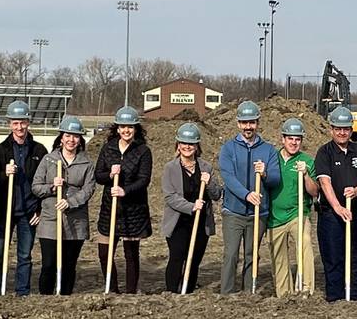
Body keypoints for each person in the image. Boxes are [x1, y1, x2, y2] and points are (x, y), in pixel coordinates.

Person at [217, 101, 282, 293]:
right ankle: (226, 292)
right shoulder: (228, 149)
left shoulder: (268, 150)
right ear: (238, 123)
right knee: (230, 254)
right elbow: (228, 177)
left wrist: (265, 174)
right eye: (244, 123)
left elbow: (276, 180)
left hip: (258, 214)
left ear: (257, 123)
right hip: (233, 212)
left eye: (252, 122)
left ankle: (248, 292)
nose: (248, 127)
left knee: (251, 254)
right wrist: (247, 195)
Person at [314, 106, 357, 301]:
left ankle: (356, 297)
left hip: (355, 213)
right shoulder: (325, 152)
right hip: (332, 215)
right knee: (333, 258)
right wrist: (338, 208)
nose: (342, 132)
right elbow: (325, 183)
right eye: (338, 128)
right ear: (331, 129)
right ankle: (335, 297)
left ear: (351, 129)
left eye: (346, 129)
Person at [0, 100, 47, 296]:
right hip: (5, 211)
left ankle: (22, 292)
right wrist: (4, 173)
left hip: (28, 211)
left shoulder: (39, 151)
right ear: (9, 124)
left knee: (24, 255)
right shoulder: (0, 150)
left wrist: (39, 208)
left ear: (28, 122)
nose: (19, 127)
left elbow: (44, 182)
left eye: (23, 122)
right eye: (15, 123)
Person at [32, 116, 96, 295]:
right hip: (50, 221)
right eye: (68, 135)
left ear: (80, 139)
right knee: (49, 264)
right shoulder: (48, 160)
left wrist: (70, 202)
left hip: (75, 222)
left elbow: (89, 189)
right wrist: (53, 187)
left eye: (75, 136)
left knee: (69, 265)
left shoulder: (87, 163)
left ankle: (65, 298)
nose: (71, 140)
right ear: (61, 137)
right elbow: (36, 187)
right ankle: (46, 297)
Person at [95, 106, 154, 293]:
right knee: (105, 254)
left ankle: (130, 292)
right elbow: (98, 175)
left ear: (136, 128)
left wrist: (125, 191)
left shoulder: (143, 151)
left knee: (130, 254)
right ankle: (111, 289)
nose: (126, 130)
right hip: (109, 208)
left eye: (130, 126)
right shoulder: (108, 148)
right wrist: (110, 175)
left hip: (133, 210)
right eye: (122, 126)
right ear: (117, 128)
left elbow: (144, 180)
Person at [161, 122, 223, 293]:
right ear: (178, 145)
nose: (187, 147)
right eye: (183, 143)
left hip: (201, 222)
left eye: (191, 143)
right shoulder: (170, 168)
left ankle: (187, 291)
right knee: (177, 256)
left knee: (194, 259)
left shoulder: (206, 168)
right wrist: (191, 206)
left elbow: (217, 194)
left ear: (196, 146)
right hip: (178, 222)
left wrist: (209, 182)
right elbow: (170, 197)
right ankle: (172, 292)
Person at [267, 117, 318, 297]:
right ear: (283, 139)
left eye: (297, 139)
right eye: (290, 138)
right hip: (274, 217)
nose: (294, 142)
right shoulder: (272, 158)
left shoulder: (307, 161)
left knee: (304, 243)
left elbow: (314, 192)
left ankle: (306, 288)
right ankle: (284, 293)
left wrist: (305, 175)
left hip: (298, 214)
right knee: (278, 256)